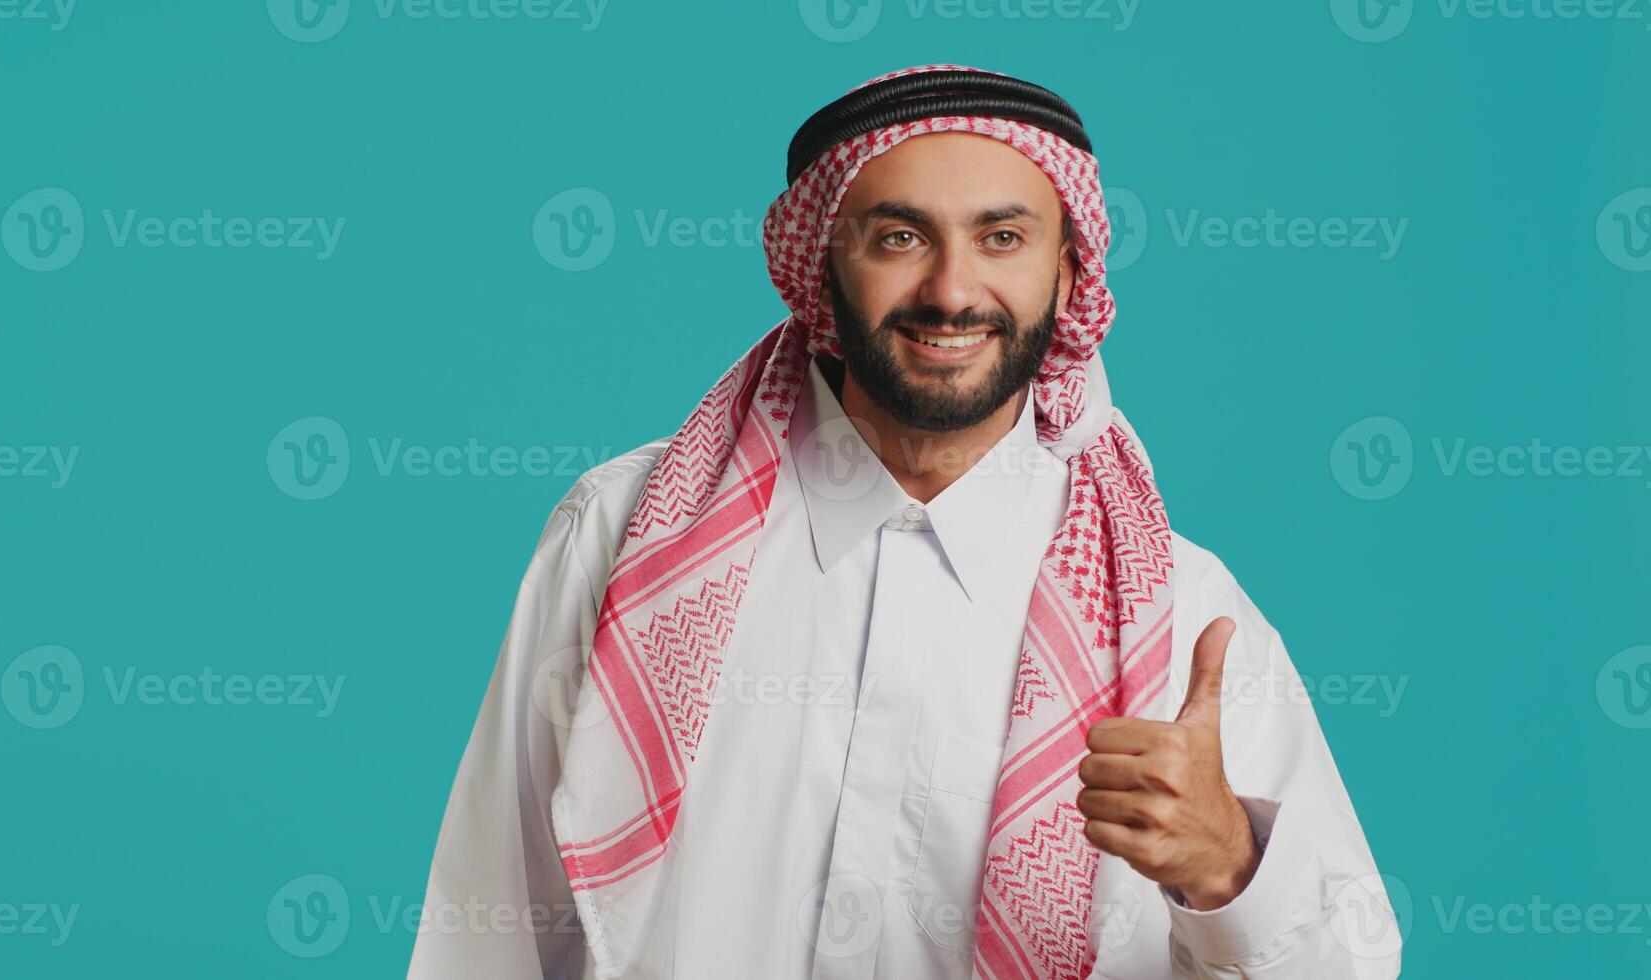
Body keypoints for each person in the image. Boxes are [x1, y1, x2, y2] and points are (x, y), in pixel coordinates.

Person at [408, 64, 1401, 980]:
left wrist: (1229, 862)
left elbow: (1354, 961)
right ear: (819, 270)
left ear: (1067, 272)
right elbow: (483, 922)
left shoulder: (1178, 612)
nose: (953, 290)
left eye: (1001, 237)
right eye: (900, 236)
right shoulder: (626, 539)